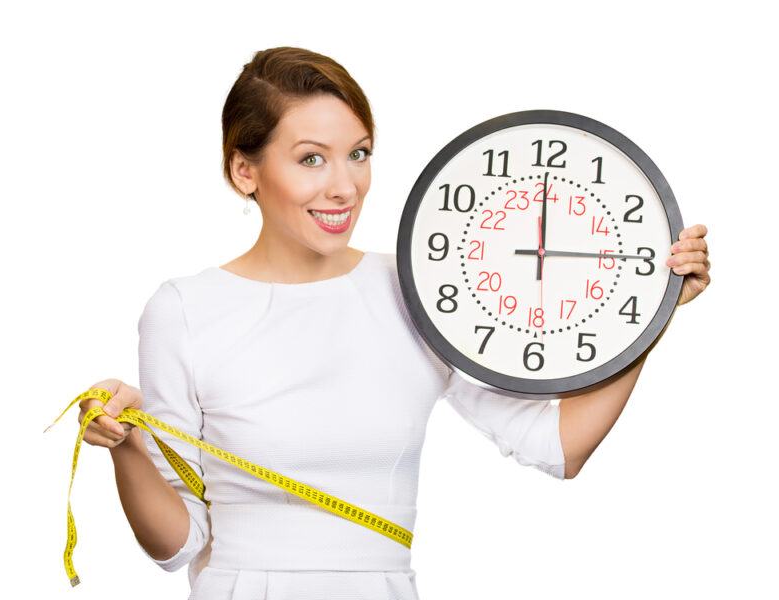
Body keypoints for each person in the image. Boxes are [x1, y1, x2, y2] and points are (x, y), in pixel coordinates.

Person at [77, 47, 712, 600]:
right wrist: (127, 446)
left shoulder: (412, 288)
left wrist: (650, 314)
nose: (346, 186)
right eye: (310, 159)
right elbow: (177, 545)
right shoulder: (184, 310)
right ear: (246, 171)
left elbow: (558, 446)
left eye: (358, 154)